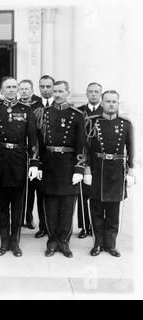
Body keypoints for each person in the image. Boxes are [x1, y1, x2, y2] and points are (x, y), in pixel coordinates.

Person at [0, 78, 39, 258]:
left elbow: (33, 138)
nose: (11, 90)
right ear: (1, 90)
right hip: (0, 160)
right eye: (7, 87)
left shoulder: (26, 110)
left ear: (18, 89)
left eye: (14, 87)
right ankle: (4, 241)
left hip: (18, 159)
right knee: (2, 205)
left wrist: (34, 162)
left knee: (18, 205)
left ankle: (15, 242)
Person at [83, 90, 134, 257]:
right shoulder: (92, 122)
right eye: (108, 101)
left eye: (114, 101)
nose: (111, 104)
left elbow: (131, 149)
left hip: (116, 171)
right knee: (96, 209)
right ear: (102, 103)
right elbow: (86, 149)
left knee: (113, 211)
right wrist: (87, 170)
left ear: (118, 104)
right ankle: (97, 243)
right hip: (97, 169)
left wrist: (131, 170)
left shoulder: (126, 124)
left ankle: (110, 244)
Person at [40, 81, 86, 258]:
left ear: (68, 92)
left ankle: (64, 241)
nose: (57, 94)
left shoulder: (76, 114)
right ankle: (52, 241)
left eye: (61, 91)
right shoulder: (45, 113)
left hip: (68, 164)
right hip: (50, 163)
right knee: (50, 205)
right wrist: (38, 164)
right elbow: (39, 141)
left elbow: (82, 143)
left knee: (67, 206)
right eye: (55, 91)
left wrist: (79, 168)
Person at [76, 82, 103, 239]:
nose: (93, 94)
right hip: (84, 155)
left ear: (100, 94)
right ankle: (85, 227)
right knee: (83, 194)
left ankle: (98, 227)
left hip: (100, 156)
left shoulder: (105, 111)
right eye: (91, 91)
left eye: (96, 92)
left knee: (98, 194)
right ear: (86, 93)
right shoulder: (80, 111)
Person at [33, 75, 56, 238]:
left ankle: (54, 228)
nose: (45, 90)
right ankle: (43, 226)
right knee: (41, 193)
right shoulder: (34, 106)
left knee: (55, 194)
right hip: (40, 157)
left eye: (49, 86)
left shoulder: (60, 105)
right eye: (42, 86)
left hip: (57, 159)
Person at [18, 79, 40, 230]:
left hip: (33, 149)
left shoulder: (38, 106)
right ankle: (19, 217)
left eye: (27, 89)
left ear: (32, 90)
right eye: (22, 89)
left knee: (31, 188)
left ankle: (29, 217)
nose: (24, 91)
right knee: (20, 187)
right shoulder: (16, 106)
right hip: (19, 152)